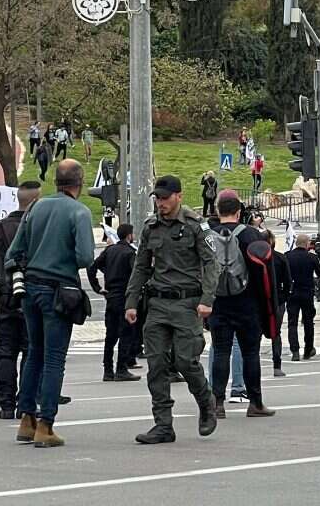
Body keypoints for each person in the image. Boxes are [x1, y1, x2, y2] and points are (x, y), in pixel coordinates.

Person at [5, 161, 95, 447]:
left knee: (34, 353)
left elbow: (14, 250)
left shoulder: (35, 207)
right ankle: (46, 424)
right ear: (79, 182)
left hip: (30, 288)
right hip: (59, 290)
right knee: (54, 358)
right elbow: (85, 257)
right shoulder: (79, 212)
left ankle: (26, 419)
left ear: (56, 181)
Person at [123, 176, 218, 444]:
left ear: (179, 196)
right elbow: (141, 266)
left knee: (186, 362)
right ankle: (163, 424)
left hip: (187, 304)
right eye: (157, 198)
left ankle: (206, 402)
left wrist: (207, 299)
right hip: (157, 304)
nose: (160, 203)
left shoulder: (195, 225)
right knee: (155, 365)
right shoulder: (151, 227)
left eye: (165, 198)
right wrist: (131, 302)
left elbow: (212, 263)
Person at [206, 190, 277, 420]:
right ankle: (255, 403)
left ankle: (217, 403)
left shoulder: (207, 237)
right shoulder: (252, 236)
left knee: (220, 352)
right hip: (248, 304)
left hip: (218, 304)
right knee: (250, 353)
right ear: (239, 212)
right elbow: (265, 273)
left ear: (218, 211)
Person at [0, 181, 40, 420]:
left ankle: (6, 404)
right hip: (32, 294)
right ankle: (26, 403)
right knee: (30, 350)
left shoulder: (0, 227)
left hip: (5, 296)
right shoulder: (37, 228)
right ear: (35, 201)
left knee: (6, 352)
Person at [87, 223, 141, 382]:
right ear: (129, 235)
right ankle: (121, 368)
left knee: (110, 335)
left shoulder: (109, 251)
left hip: (111, 296)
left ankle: (108, 369)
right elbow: (135, 275)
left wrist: (97, 287)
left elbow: (92, 268)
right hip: (125, 296)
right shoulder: (130, 253)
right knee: (126, 333)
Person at [286, 233, 320, 361]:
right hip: (307, 292)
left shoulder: (287, 256)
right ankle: (308, 350)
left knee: (292, 323)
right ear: (307, 244)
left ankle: (295, 351)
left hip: (292, 292)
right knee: (308, 322)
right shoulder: (311, 257)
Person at [265, 230, 290, 377]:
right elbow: (288, 281)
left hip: (261, 299)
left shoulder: (255, 257)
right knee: (276, 333)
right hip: (278, 300)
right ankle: (277, 364)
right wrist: (285, 297)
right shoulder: (280, 258)